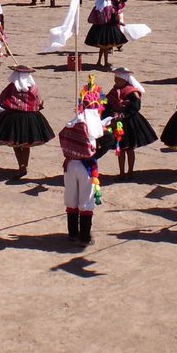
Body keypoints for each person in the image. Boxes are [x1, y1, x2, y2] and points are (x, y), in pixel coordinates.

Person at [58, 79, 107, 245]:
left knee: (71, 197)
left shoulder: (74, 122)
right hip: (86, 167)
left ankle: (72, 234)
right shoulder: (93, 126)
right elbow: (100, 146)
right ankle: (84, 237)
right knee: (86, 200)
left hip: (70, 165)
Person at [0, 65, 55, 178]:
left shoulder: (11, 87)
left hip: (14, 119)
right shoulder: (34, 89)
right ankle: (24, 165)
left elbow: (2, 100)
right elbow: (38, 103)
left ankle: (21, 166)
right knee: (26, 144)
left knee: (17, 144)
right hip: (31, 119)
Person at [99, 67, 158, 179]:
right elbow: (108, 104)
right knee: (119, 148)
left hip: (130, 123)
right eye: (115, 78)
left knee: (129, 148)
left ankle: (130, 172)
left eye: (118, 79)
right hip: (117, 122)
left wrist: (124, 115)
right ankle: (121, 172)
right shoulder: (113, 91)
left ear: (125, 80)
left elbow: (136, 107)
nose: (116, 81)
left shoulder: (131, 92)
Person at [85, 0, 127, 69]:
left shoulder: (98, 5)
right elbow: (111, 18)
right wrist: (119, 22)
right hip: (107, 28)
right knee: (105, 47)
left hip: (98, 27)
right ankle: (105, 62)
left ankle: (99, 61)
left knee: (102, 47)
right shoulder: (108, 6)